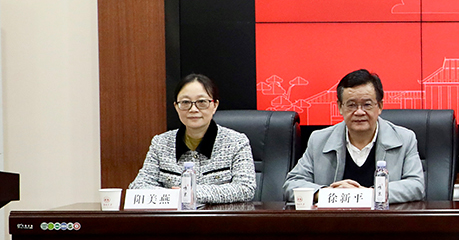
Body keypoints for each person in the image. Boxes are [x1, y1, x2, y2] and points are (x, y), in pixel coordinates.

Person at [283, 69, 425, 203]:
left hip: (384, 219)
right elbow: (292, 184)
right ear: (340, 107)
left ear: (380, 106)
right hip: (334, 220)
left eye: (367, 104)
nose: (359, 112)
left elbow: (416, 186)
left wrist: (368, 194)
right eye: (351, 105)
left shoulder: (404, 139)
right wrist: (328, 193)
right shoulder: (319, 140)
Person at [129, 73, 256, 204]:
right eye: (185, 102)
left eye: (202, 102)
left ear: (215, 105)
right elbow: (138, 186)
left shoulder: (236, 142)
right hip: (174, 217)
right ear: (176, 107)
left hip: (220, 216)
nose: (193, 109)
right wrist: (173, 195)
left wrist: (190, 193)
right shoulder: (160, 143)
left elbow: (245, 188)